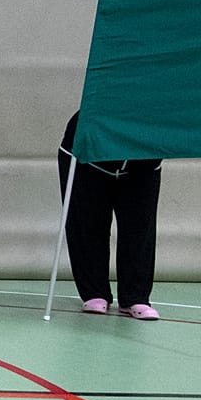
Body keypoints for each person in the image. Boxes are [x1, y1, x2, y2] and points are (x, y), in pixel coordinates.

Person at [57, 111, 164, 320]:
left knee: (139, 227)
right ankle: (94, 292)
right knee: (88, 224)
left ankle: (135, 297)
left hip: (142, 156)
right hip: (87, 153)